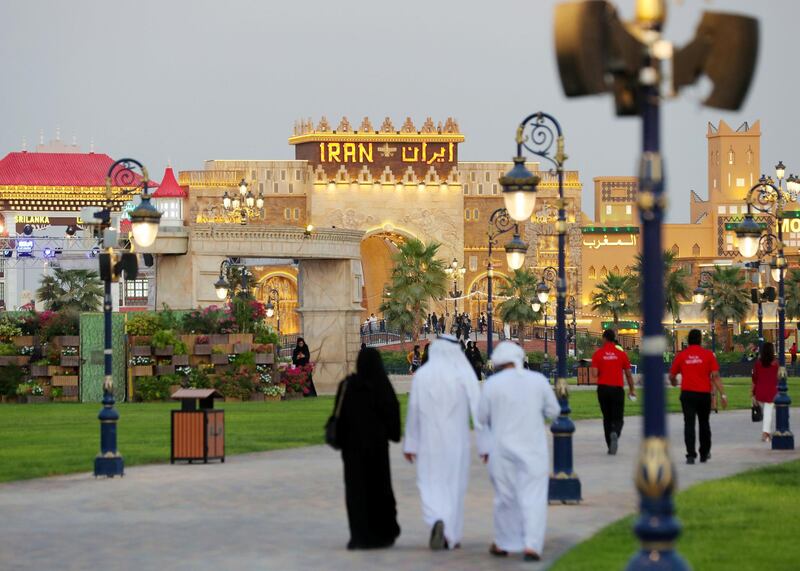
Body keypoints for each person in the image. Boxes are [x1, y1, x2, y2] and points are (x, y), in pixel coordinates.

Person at [477, 341, 561, 562]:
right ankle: (532, 545)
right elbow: (554, 410)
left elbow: (481, 417)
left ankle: (505, 542)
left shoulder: (492, 384)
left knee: (506, 497)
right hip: (533, 448)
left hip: (501, 448)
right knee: (533, 496)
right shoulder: (538, 381)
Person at [403, 334, 481, 550]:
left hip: (429, 440)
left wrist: (410, 443)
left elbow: (414, 412)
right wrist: (485, 445)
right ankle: (450, 534)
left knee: (429, 482)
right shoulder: (464, 374)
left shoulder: (422, 375)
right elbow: (478, 410)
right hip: (457, 440)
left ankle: (436, 517)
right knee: (454, 485)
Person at [334, 348, 402, 549]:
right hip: (377, 448)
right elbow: (393, 416)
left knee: (356, 491)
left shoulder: (347, 386)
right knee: (379, 488)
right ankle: (382, 533)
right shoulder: (382, 387)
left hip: (352, 449)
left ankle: (359, 535)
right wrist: (392, 434)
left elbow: (339, 418)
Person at [669, 329, 726, 464]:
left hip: (688, 394)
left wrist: (674, 382)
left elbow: (672, 376)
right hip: (703, 394)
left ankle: (690, 454)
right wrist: (723, 394)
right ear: (700, 340)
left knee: (689, 424)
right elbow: (716, 376)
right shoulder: (708, 355)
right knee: (704, 423)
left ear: (688, 340)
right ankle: (704, 452)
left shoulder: (682, 356)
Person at [590, 329, 636, 455]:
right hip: (617, 389)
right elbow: (628, 374)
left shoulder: (598, 354)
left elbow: (594, 374)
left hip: (603, 389)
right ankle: (615, 432)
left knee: (607, 418)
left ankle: (610, 445)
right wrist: (632, 389)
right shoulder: (621, 354)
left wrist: (601, 369)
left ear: (604, 338)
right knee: (618, 417)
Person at [752, 341, 779, 442]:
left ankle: (767, 432)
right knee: (768, 413)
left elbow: (755, 378)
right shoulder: (775, 364)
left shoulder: (758, 364)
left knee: (766, 413)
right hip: (771, 392)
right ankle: (765, 433)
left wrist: (753, 393)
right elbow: (778, 378)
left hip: (760, 391)